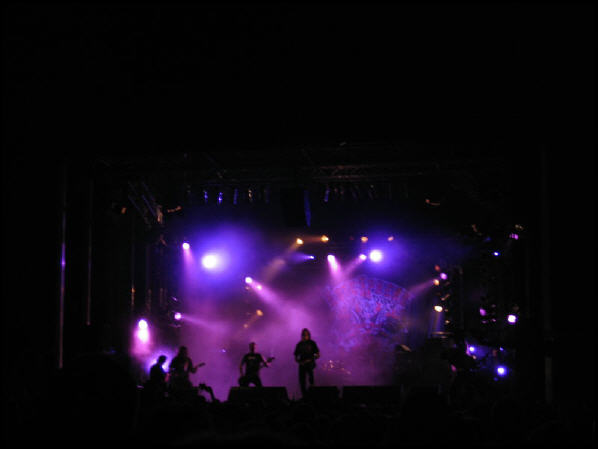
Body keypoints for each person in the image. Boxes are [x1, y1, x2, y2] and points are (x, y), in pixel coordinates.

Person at [294, 328, 320, 397]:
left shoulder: (312, 343)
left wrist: (311, 359)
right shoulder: (299, 344)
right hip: (302, 364)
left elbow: (318, 354)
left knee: (311, 378)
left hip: (310, 363)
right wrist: (300, 362)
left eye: (306, 335)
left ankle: (312, 394)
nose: (305, 336)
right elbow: (296, 357)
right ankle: (304, 395)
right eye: (303, 335)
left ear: (309, 335)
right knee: (302, 381)